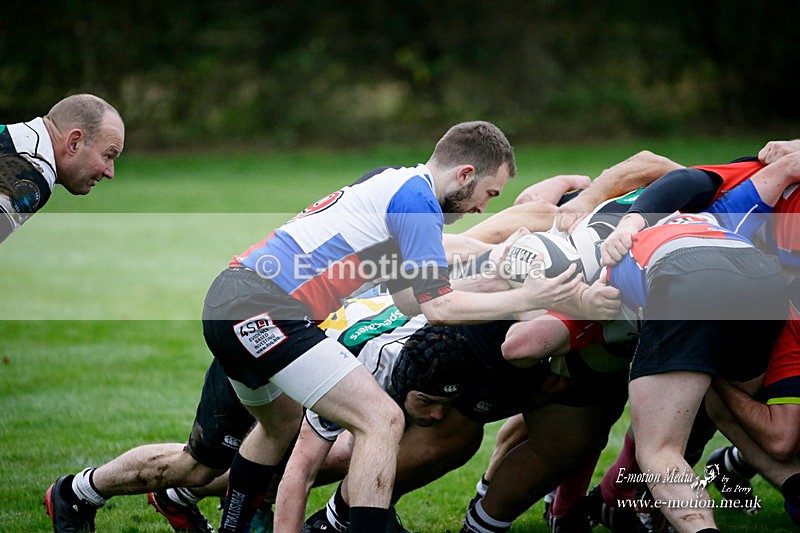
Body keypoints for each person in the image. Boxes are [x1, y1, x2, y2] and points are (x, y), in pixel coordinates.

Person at [194, 121, 586, 533]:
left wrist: (492, 256)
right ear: (466, 174)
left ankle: (234, 526)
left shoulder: (395, 183)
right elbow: (438, 308)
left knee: (279, 428)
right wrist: (526, 298)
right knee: (381, 420)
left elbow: (406, 296)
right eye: (488, 193)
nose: (481, 208)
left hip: (231, 296)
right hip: (265, 308)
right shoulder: (417, 202)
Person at [0, 93, 124, 243]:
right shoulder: (32, 169)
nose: (110, 172)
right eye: (108, 155)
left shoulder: (15, 140)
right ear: (74, 143)